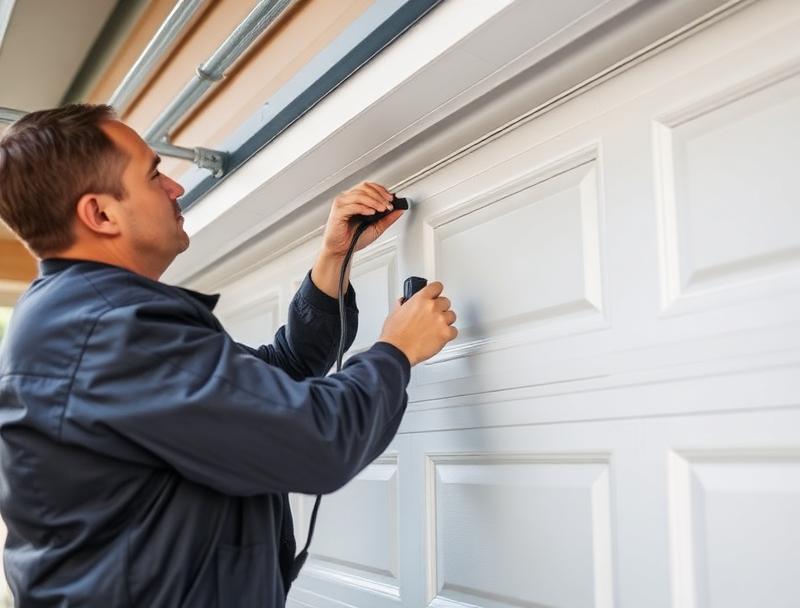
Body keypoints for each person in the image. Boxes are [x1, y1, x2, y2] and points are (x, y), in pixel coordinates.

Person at [0, 104, 457, 607]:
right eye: (154, 175)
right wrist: (395, 351)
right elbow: (315, 440)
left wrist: (332, 259)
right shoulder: (108, 330)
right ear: (100, 214)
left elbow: (275, 377)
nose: (175, 188)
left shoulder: (81, 320)